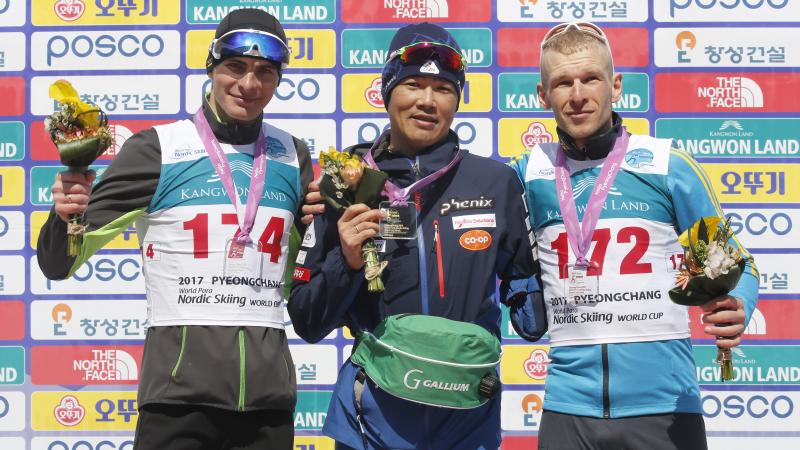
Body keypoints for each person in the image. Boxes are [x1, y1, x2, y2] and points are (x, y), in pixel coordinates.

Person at [37, 9, 313, 449]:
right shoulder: (157, 148)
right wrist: (66, 213)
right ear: (212, 68)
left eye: (265, 72)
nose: (249, 84)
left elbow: (301, 273)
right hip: (178, 401)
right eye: (236, 68)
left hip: (268, 404)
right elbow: (58, 262)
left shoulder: (291, 156)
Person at [289, 23, 542, 450]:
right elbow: (307, 321)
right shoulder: (344, 177)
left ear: (457, 98)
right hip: (372, 422)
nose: (426, 100)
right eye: (412, 84)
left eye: (443, 87)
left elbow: (532, 315)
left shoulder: (495, 182)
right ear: (387, 91)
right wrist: (346, 262)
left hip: (467, 421)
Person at [507, 22, 759, 450]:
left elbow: (734, 264)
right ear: (543, 96)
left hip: (664, 407)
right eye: (563, 83)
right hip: (568, 410)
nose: (578, 94)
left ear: (616, 86)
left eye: (591, 79)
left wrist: (739, 303)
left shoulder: (666, 167)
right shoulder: (526, 174)